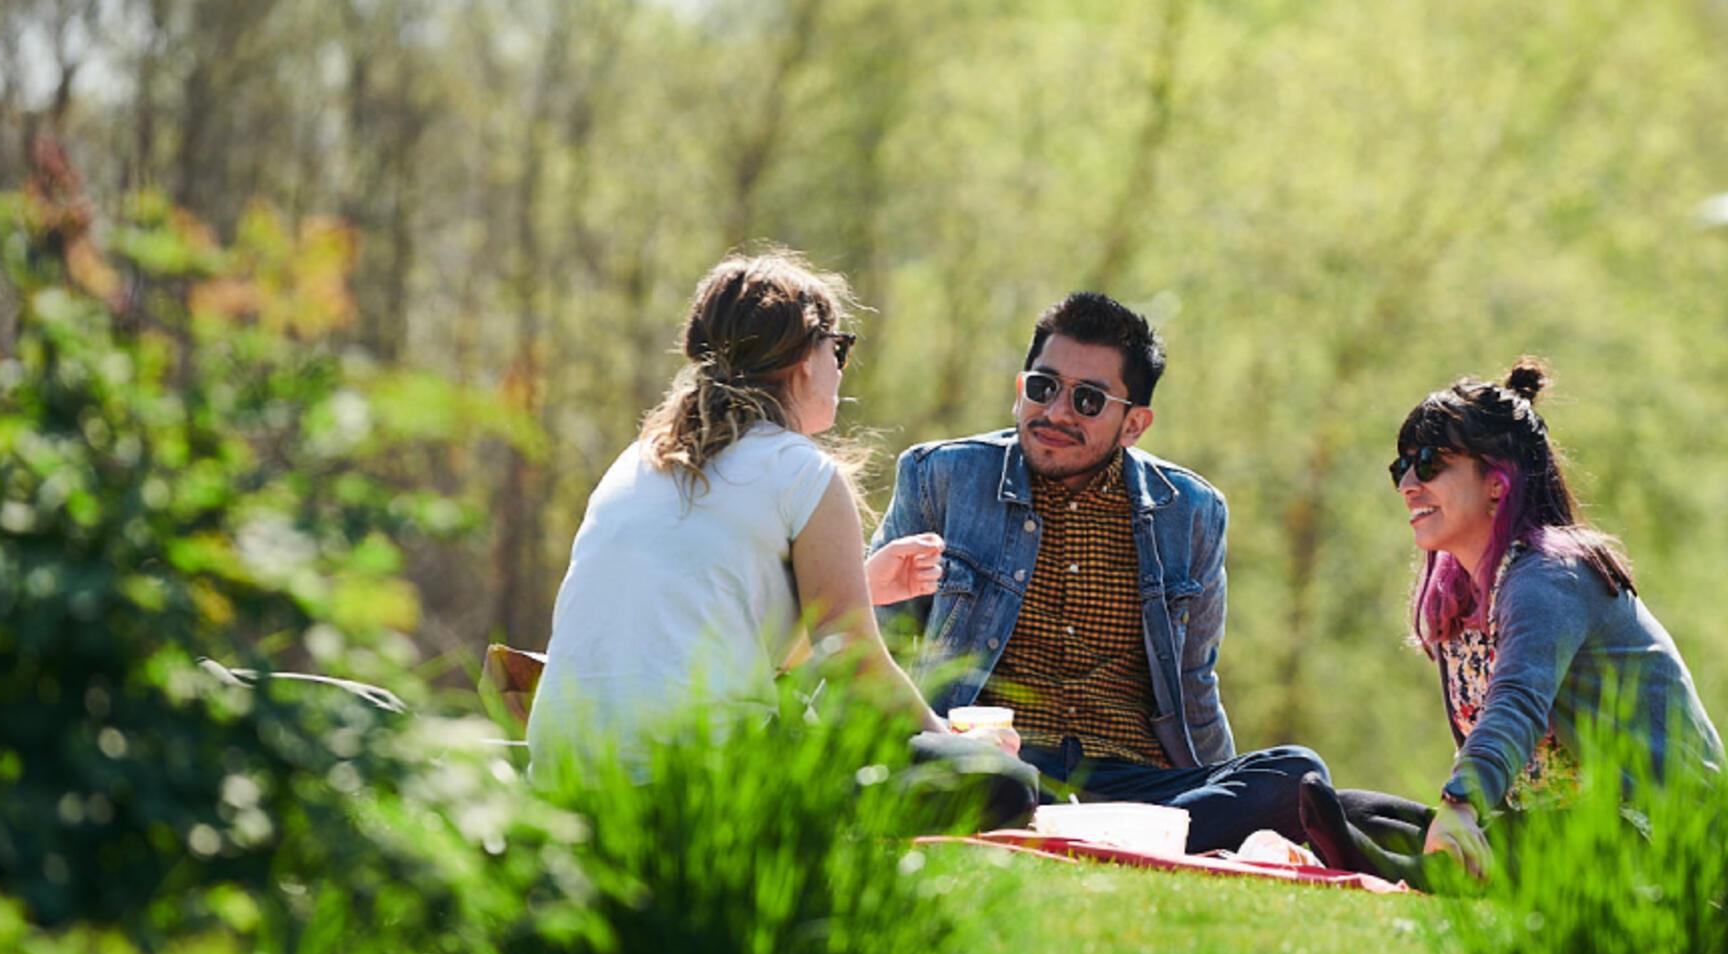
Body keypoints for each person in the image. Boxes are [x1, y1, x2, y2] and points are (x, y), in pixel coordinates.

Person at [526, 250, 1034, 825]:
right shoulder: (804, 473)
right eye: (838, 348)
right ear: (803, 358)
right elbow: (855, 666)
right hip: (698, 789)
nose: (842, 367)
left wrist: (863, 585)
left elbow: (717, 634)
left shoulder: (639, 460)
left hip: (562, 777)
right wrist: (958, 743)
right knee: (1005, 784)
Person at [871, 292, 1329, 853]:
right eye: (1043, 387)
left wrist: (1229, 787)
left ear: (1134, 423)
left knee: (1296, 775)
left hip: (1137, 779)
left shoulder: (1191, 511)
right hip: (996, 764)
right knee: (983, 784)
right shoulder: (940, 476)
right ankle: (1116, 837)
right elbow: (872, 637)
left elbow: (1193, 683)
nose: (1057, 412)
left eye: (1088, 400)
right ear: (1020, 390)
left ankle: (1084, 832)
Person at [1298, 358, 1727, 887]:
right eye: (1401, 467)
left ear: (1497, 482)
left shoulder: (1551, 574)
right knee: (1360, 811)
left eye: (1430, 463)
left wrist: (1460, 802)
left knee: (1538, 842)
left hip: (1652, 829)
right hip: (1534, 824)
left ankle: (1415, 872)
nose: (1408, 484)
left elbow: (1517, 703)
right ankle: (1413, 861)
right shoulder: (1461, 595)